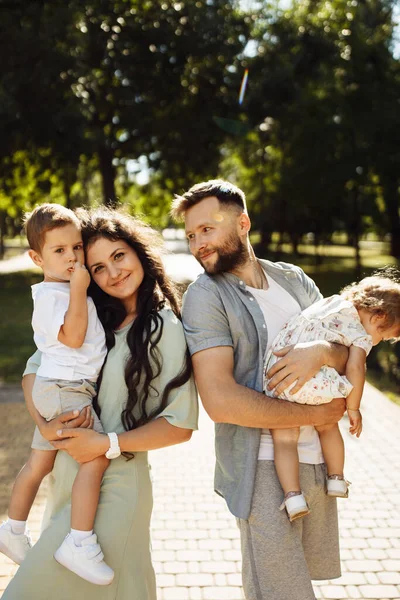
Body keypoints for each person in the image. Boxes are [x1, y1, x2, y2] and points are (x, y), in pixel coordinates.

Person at [3, 207, 198, 600]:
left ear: (138, 253)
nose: (112, 273)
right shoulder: (92, 317)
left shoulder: (164, 328)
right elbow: (33, 371)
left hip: (116, 487)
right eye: (97, 267)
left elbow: (180, 426)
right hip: (67, 481)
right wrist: (43, 426)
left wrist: (105, 444)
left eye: (119, 256)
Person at [171, 179, 347, 600]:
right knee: (282, 592)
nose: (198, 244)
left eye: (207, 230)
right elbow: (221, 401)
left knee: (297, 583)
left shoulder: (293, 279)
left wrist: (320, 351)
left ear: (243, 223)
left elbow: (348, 347)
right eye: (191, 235)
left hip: (317, 459)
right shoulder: (206, 295)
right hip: (261, 465)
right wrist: (315, 415)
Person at [0, 203, 113, 585]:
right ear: (36, 257)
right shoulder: (52, 297)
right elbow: (74, 336)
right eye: (59, 251)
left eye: (77, 248)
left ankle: (12, 529)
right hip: (67, 388)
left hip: (57, 386)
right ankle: (78, 542)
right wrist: (80, 290)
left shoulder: (64, 290)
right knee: (95, 458)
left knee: (38, 464)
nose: (72, 258)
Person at [263, 272, 400, 521]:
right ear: (378, 316)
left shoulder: (331, 303)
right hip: (311, 383)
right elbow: (356, 369)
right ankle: (336, 478)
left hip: (278, 375)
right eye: (383, 336)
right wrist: (354, 408)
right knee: (327, 427)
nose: (376, 342)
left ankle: (293, 497)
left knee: (284, 440)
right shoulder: (359, 333)